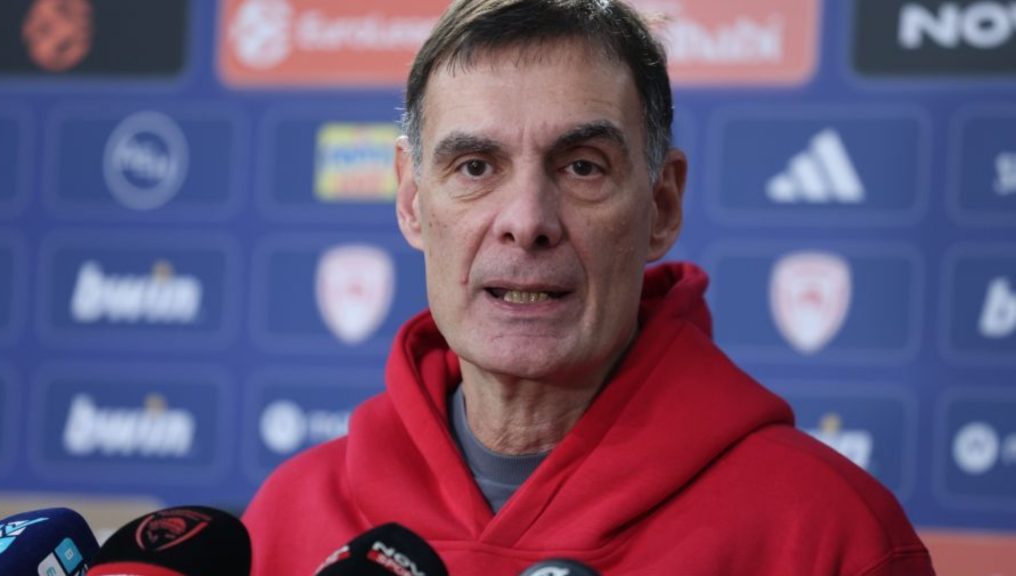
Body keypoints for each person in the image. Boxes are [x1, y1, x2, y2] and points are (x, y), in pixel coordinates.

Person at [243, 1, 936, 574]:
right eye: (476, 166)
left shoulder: (830, 535)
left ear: (662, 206)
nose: (527, 222)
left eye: (581, 166)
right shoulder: (290, 518)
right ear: (412, 202)